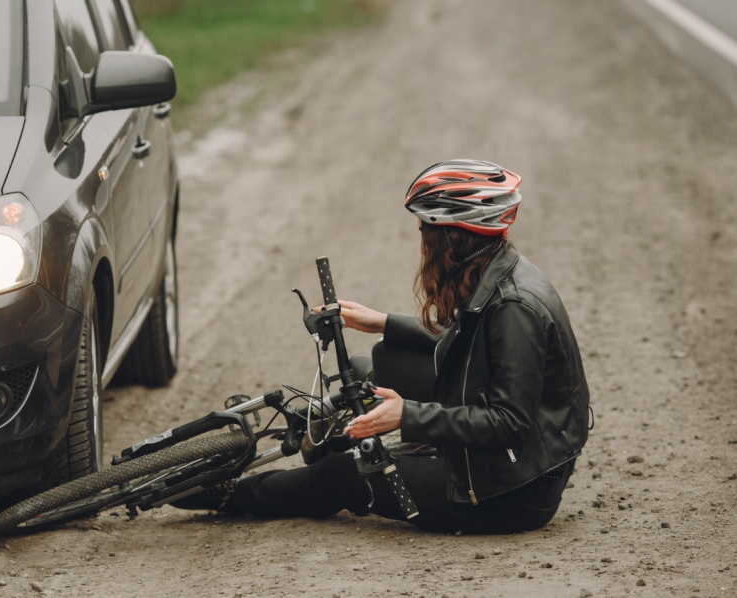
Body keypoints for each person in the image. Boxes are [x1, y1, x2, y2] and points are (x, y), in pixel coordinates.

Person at [175, 159, 590, 534]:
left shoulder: (515, 308)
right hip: (510, 461)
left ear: (455, 239)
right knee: (380, 361)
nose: (423, 240)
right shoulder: (494, 270)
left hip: (510, 491)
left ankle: (236, 494)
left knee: (343, 473)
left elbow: (509, 424)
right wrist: (382, 323)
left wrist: (409, 416)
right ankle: (338, 442)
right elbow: (465, 343)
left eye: (427, 230)